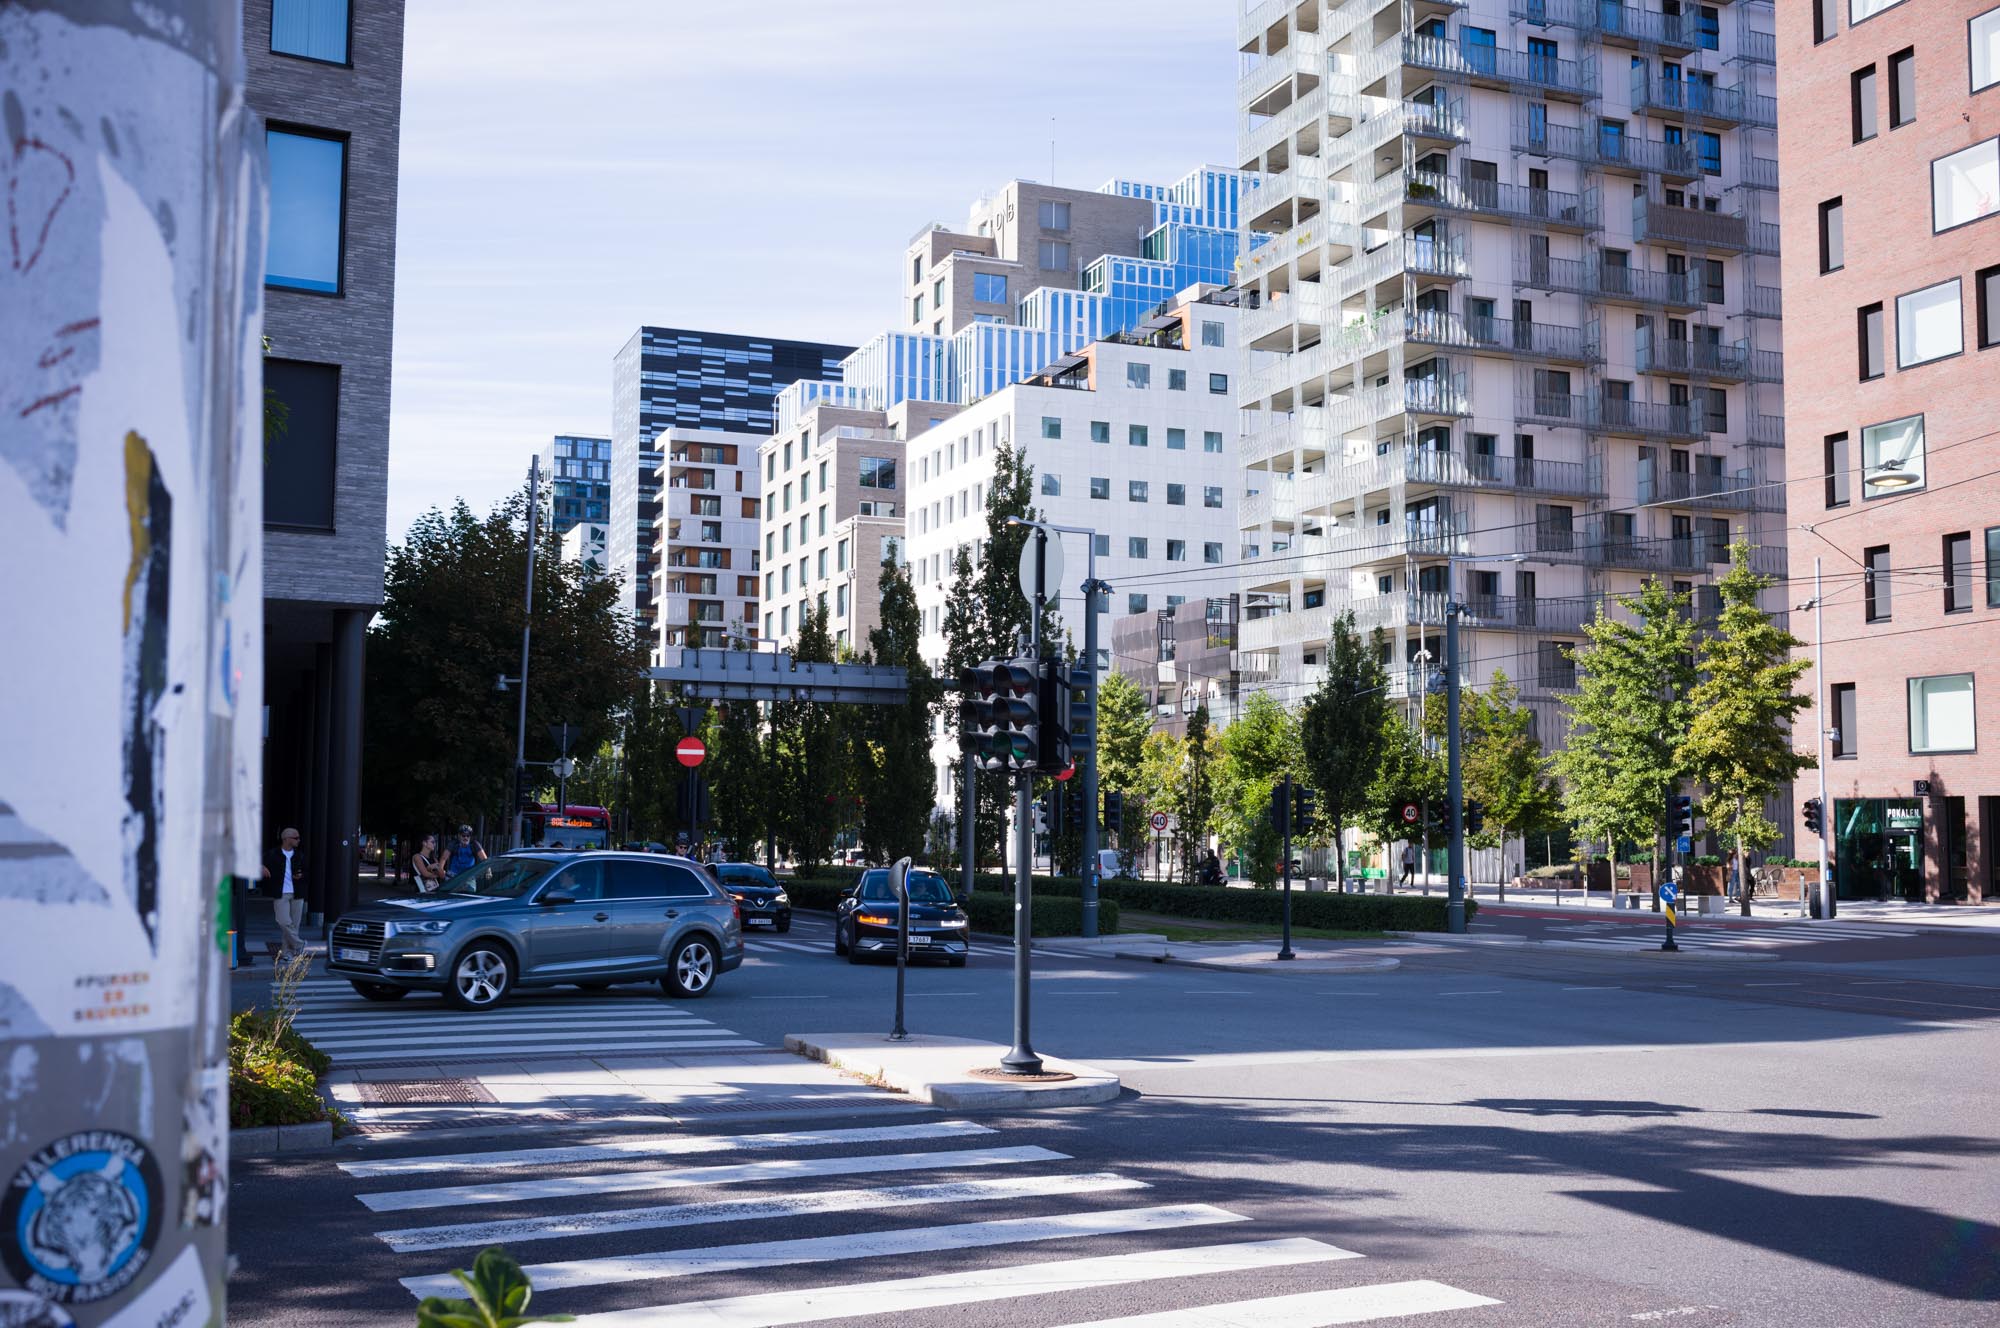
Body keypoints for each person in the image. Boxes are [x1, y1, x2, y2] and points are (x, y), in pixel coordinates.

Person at [259, 827, 307, 959]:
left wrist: (301, 875)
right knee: (283, 921)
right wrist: (261, 867)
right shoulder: (272, 854)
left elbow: (308, 872)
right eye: (296, 838)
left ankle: (287, 953)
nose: (298, 840)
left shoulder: (300, 855)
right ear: (286, 839)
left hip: (297, 893)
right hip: (281, 893)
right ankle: (299, 944)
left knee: (294, 925)